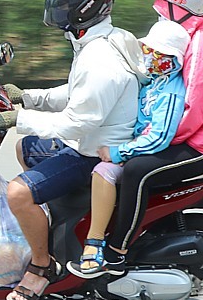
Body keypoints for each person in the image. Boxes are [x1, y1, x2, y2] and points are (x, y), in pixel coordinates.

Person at [0, 0, 146, 300]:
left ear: (85, 7)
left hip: (92, 152)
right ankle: (59, 228)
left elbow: (76, 123)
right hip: (91, 140)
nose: (59, 8)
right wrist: (30, 97)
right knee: (27, 148)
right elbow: (78, 92)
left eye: (67, 2)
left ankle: (42, 265)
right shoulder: (103, 39)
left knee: (18, 193)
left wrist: (16, 117)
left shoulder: (101, 59)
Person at [96, 0, 203, 275]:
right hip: (202, 135)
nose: (157, 5)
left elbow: (190, 112)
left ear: (179, 5)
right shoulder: (186, 38)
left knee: (138, 171)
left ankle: (115, 253)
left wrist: (139, 144)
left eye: (162, 0)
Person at [66, 19, 190, 278]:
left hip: (143, 152)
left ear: (173, 59)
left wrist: (118, 152)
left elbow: (159, 137)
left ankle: (95, 244)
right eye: (150, 50)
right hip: (131, 144)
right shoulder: (153, 81)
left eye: (159, 53)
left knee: (103, 171)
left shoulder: (170, 91)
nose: (151, 56)